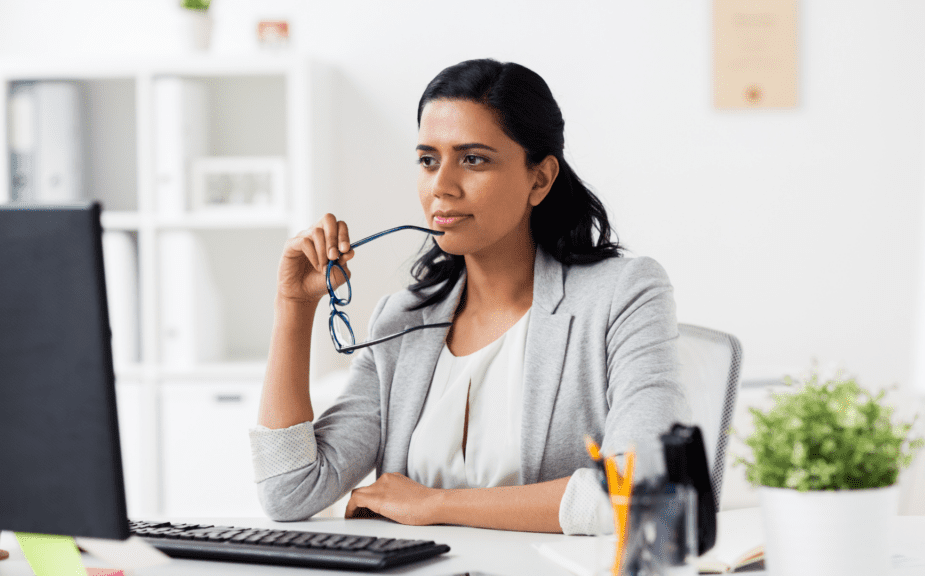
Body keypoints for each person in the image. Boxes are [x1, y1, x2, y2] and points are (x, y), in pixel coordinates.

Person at [250, 58, 688, 535]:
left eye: (473, 159)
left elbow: (645, 492)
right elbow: (288, 492)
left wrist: (435, 504)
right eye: (428, 160)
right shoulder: (400, 321)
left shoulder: (623, 294)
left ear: (539, 179)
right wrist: (294, 307)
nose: (441, 187)